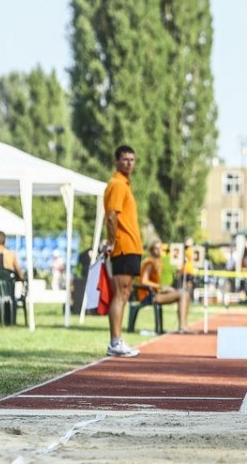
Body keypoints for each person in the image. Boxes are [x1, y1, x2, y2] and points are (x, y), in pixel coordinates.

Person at [103, 144, 143, 358]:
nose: (129, 163)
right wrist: (111, 243)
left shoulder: (125, 185)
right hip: (123, 246)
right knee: (120, 294)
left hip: (132, 247)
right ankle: (114, 341)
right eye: (125, 159)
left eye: (132, 159)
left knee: (125, 294)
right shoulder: (118, 184)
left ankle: (117, 340)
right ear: (117, 161)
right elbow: (111, 215)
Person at [138, 241, 191, 332]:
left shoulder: (159, 263)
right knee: (182, 294)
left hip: (155, 293)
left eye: (160, 248)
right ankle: (182, 326)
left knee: (185, 293)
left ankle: (184, 325)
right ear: (151, 250)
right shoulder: (149, 262)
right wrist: (161, 287)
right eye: (157, 248)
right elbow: (144, 281)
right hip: (148, 295)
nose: (160, 251)